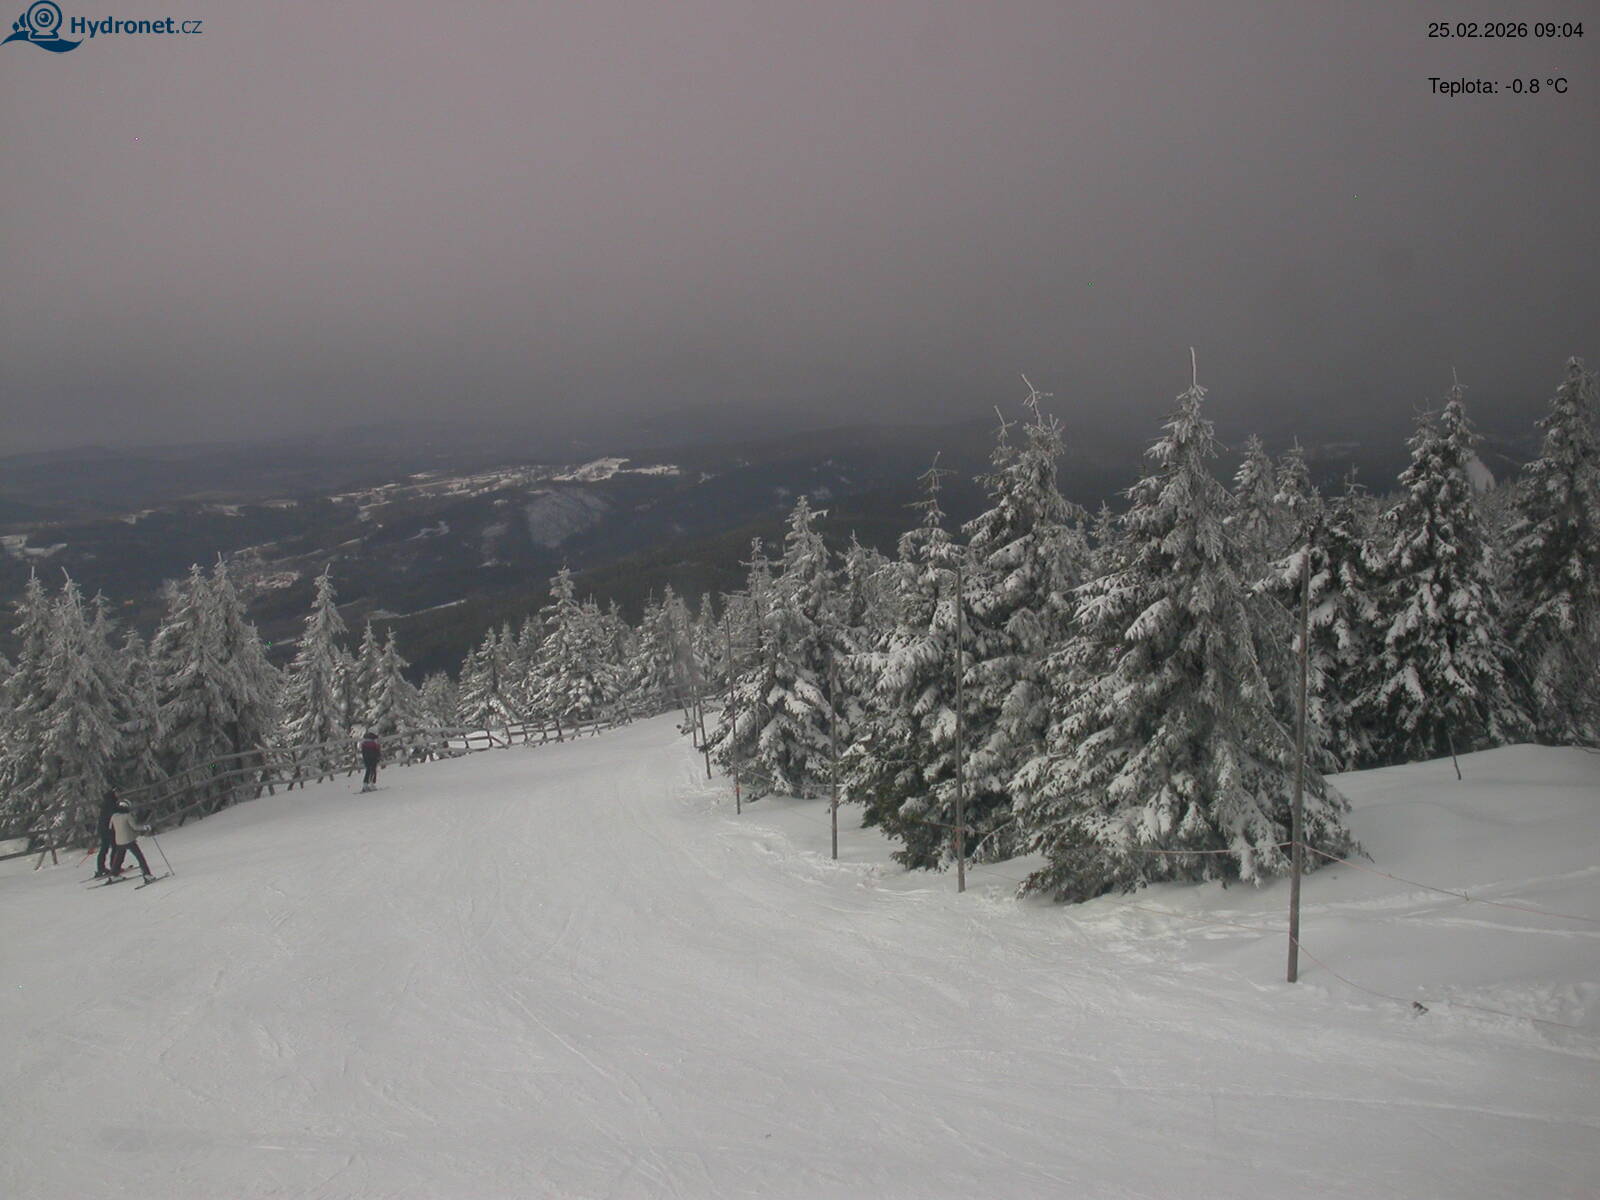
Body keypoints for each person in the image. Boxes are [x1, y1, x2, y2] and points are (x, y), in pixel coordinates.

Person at [107, 801, 154, 881]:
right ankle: (147, 874)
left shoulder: (114, 816)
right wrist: (145, 827)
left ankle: (114, 874)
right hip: (129, 840)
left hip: (119, 841)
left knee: (119, 857)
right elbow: (134, 827)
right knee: (139, 857)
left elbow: (111, 827)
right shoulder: (127, 816)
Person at [93, 789, 119, 877]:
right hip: (109, 829)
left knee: (104, 848)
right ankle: (114, 866)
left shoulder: (106, 804)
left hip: (103, 829)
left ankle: (101, 868)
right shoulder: (111, 804)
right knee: (115, 847)